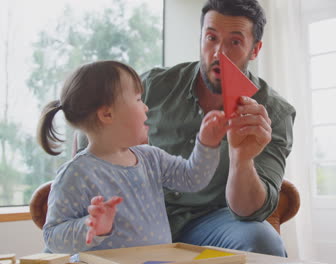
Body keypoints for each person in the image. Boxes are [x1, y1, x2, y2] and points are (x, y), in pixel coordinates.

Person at [78, 0, 295, 257]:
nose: (218, 53)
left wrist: (242, 158)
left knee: (263, 241)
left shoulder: (274, 113)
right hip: (138, 214)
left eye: (234, 42)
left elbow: (249, 212)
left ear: (255, 49)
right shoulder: (152, 86)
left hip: (214, 221)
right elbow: (92, 128)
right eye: (211, 38)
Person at [37, 60, 229, 254]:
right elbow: (52, 237)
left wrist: (207, 144)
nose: (146, 107)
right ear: (107, 114)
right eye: (138, 99)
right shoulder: (76, 173)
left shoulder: (151, 158)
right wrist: (90, 227)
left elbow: (193, 179)